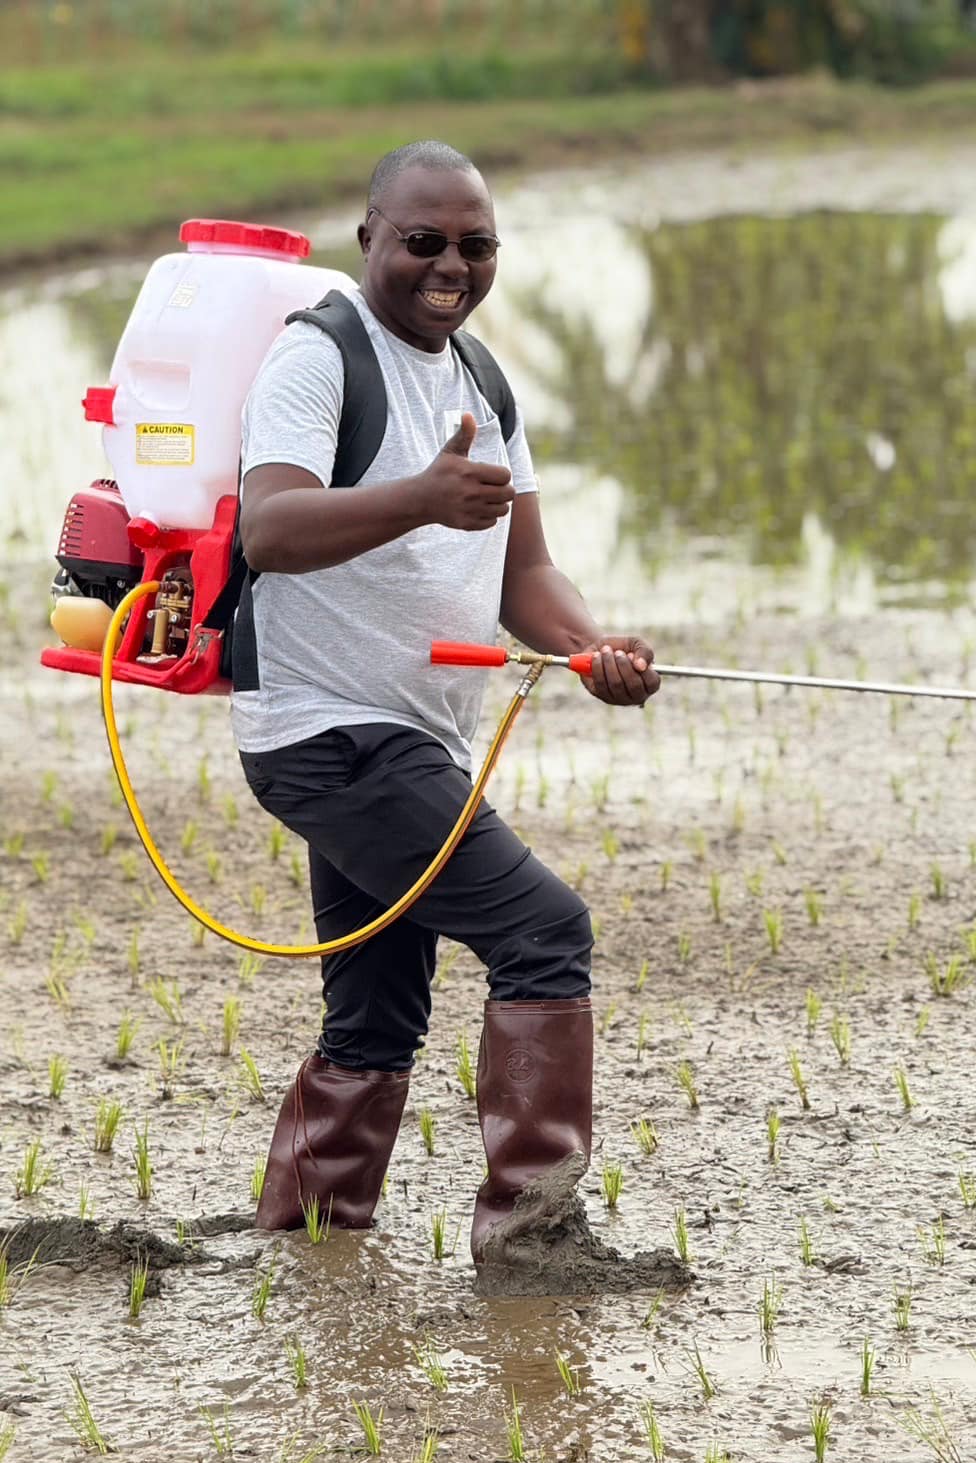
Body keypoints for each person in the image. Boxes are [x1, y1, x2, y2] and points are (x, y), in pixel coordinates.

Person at [234, 140, 660, 1263]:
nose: (449, 266)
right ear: (368, 236)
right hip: (328, 733)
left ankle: (307, 1238)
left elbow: (525, 576)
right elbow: (267, 530)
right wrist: (421, 495)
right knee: (543, 929)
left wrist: (589, 646)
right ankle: (533, 1237)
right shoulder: (318, 358)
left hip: (409, 735)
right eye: (423, 241)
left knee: (373, 1013)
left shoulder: (482, 379)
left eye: (475, 246)